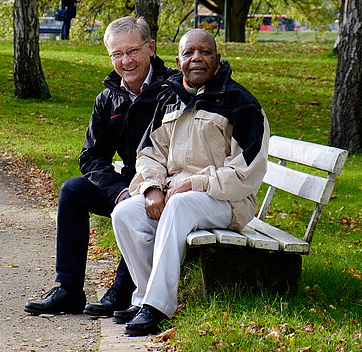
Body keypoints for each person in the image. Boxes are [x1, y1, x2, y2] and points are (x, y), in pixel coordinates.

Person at [111, 29, 270, 336]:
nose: (196, 58)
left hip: (228, 201)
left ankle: (158, 307)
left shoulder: (240, 103)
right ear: (178, 60)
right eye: (189, 53)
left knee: (180, 206)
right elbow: (148, 153)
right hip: (174, 194)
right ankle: (144, 296)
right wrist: (152, 187)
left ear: (217, 59)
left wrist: (193, 184)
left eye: (205, 52)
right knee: (125, 214)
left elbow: (245, 172)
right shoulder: (170, 98)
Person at [24, 16, 177, 318]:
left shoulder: (172, 91)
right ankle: (68, 290)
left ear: (151, 48)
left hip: (166, 188)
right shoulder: (108, 98)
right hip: (128, 186)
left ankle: (121, 292)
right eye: (117, 54)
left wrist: (149, 188)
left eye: (132, 51)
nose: (125, 61)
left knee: (139, 209)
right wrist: (119, 191)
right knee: (72, 190)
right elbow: (91, 156)